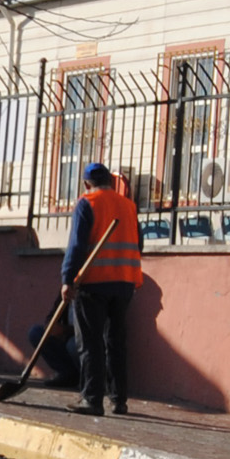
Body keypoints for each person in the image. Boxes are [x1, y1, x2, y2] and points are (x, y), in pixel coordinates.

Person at [60, 161, 144, 417]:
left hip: (93, 282)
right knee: (116, 342)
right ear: (110, 180)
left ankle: (92, 399)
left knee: (90, 342)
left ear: (87, 184)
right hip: (125, 282)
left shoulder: (88, 203)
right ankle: (119, 400)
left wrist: (67, 277)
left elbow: (76, 245)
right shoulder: (128, 206)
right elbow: (139, 243)